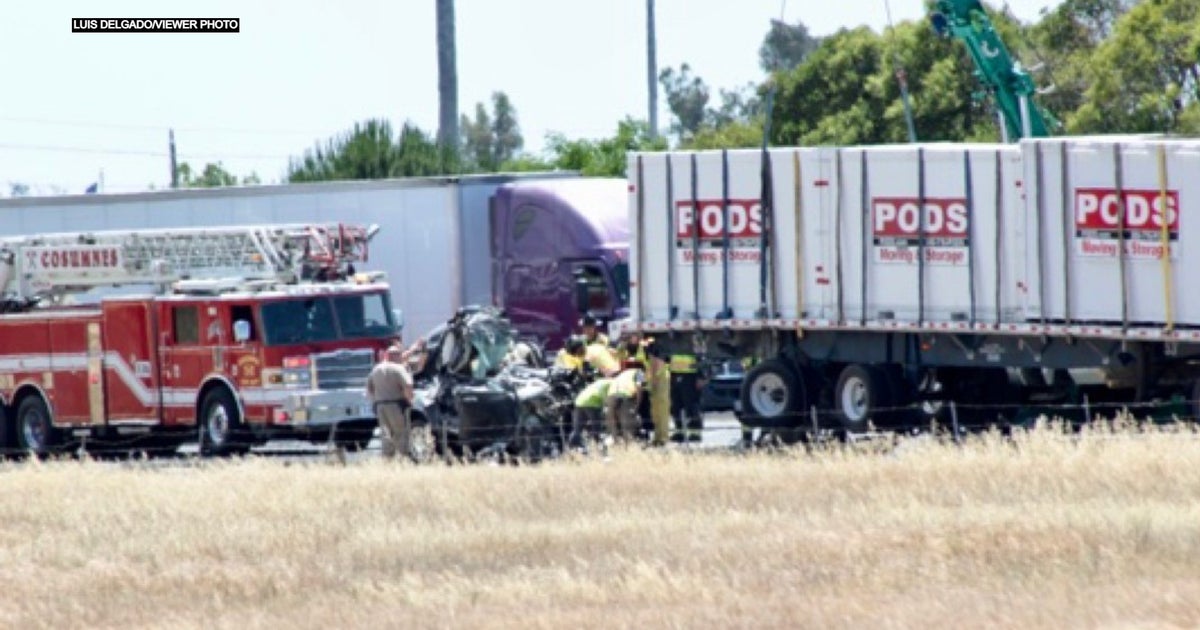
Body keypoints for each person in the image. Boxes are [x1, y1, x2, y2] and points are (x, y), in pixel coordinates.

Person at [365, 344, 415, 460]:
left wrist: (375, 401)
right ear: (397, 356)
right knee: (401, 433)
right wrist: (410, 400)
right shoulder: (399, 368)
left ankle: (387, 459)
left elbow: (368, 390)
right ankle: (403, 459)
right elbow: (408, 385)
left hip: (380, 406)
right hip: (396, 405)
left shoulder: (376, 369)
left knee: (385, 434)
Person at [669, 350, 705, 442]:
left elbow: (700, 357)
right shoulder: (672, 343)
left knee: (692, 405)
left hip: (690, 375)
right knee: (675, 406)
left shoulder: (689, 342)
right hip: (674, 373)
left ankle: (695, 433)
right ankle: (679, 432)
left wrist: (700, 376)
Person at [569, 376, 612, 450]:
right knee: (596, 427)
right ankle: (600, 447)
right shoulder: (612, 383)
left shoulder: (599, 381)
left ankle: (571, 448)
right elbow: (604, 395)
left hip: (579, 402)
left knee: (577, 429)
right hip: (592, 403)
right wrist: (607, 405)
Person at [605, 366, 645, 442]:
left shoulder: (623, 374)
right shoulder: (639, 372)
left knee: (613, 422)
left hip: (611, 395)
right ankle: (629, 444)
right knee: (626, 423)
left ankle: (616, 443)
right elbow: (639, 387)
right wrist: (637, 406)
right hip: (625, 395)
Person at [645, 344, 672, 447]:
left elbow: (656, 367)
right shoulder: (653, 357)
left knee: (661, 412)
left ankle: (663, 437)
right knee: (656, 412)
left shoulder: (656, 358)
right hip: (657, 383)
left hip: (660, 383)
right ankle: (658, 437)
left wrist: (653, 383)